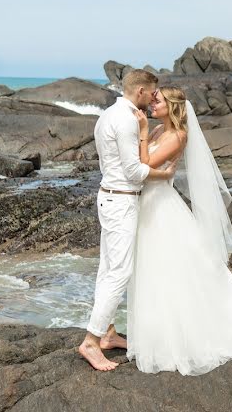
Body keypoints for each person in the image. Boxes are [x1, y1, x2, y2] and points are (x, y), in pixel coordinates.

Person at [126, 86, 232, 374]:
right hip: (146, 204)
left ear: (171, 106)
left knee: (171, 270)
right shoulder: (162, 131)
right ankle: (156, 334)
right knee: (152, 271)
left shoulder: (178, 135)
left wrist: (144, 129)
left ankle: (188, 336)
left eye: (157, 100)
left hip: (161, 206)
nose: (151, 103)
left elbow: (145, 164)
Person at [78, 70, 176, 372]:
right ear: (142, 91)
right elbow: (134, 172)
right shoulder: (127, 120)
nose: (153, 99)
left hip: (109, 195)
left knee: (108, 267)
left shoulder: (109, 114)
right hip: (120, 199)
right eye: (152, 93)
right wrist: (166, 174)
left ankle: (107, 333)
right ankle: (91, 341)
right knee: (119, 271)